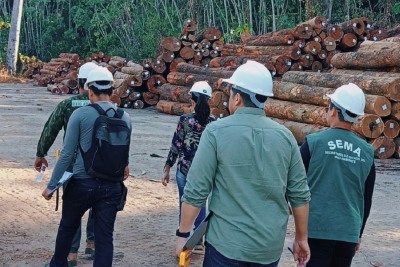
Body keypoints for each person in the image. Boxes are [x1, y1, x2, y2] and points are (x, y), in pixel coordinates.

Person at [175, 60, 311, 267]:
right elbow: (300, 195)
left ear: (237, 98)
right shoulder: (286, 137)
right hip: (267, 249)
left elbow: (196, 192)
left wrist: (183, 235)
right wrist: (301, 238)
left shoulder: (215, 132)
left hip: (224, 245)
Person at [42, 67, 132, 267]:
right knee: (104, 239)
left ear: (90, 90)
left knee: (67, 228)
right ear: (112, 90)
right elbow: (123, 153)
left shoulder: (80, 114)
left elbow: (66, 154)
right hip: (111, 187)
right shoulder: (125, 117)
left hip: (81, 184)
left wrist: (52, 185)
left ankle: (59, 264)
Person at [299, 83, 376, 267]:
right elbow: (366, 198)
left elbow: (295, 186)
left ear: (333, 110)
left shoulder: (313, 143)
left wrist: (299, 232)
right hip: (348, 232)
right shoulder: (366, 151)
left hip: (317, 230)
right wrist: (358, 234)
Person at [34, 61, 98, 266]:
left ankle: (71, 255)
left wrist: (40, 153)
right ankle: (92, 245)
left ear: (79, 82)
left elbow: (50, 129)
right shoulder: (105, 106)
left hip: (72, 167)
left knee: (73, 210)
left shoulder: (67, 105)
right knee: (97, 205)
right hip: (99, 166)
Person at [162, 81, 216, 237]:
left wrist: (167, 169)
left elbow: (176, 145)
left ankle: (184, 239)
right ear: (209, 100)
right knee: (200, 204)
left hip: (184, 171)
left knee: (185, 204)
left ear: (192, 100)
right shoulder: (215, 123)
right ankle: (198, 241)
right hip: (205, 173)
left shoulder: (185, 120)